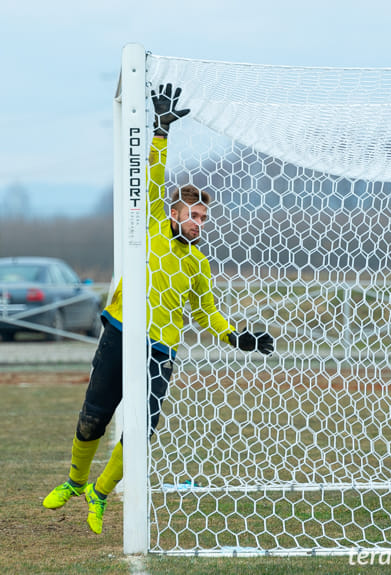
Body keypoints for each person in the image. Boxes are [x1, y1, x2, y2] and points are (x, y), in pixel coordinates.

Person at [42, 84, 274, 534]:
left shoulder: (198, 263)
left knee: (140, 436)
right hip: (121, 332)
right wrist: (161, 130)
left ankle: (99, 494)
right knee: (93, 417)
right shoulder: (149, 225)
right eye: (195, 216)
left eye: (206, 219)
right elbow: (152, 172)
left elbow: (206, 312)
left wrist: (237, 336)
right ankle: (73, 482)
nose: (200, 223)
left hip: (161, 349)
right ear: (173, 213)